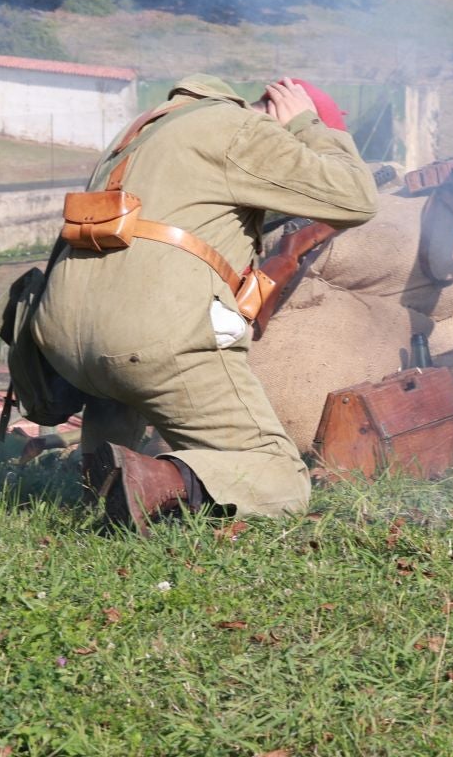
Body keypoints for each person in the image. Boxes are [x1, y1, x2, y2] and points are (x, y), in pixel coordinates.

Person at [31, 75, 378, 531]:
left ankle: (100, 483)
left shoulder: (149, 126)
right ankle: (150, 482)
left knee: (121, 372)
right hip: (151, 337)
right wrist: (308, 127)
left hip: (63, 341)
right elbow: (356, 199)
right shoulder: (242, 131)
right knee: (280, 478)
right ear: (282, 116)